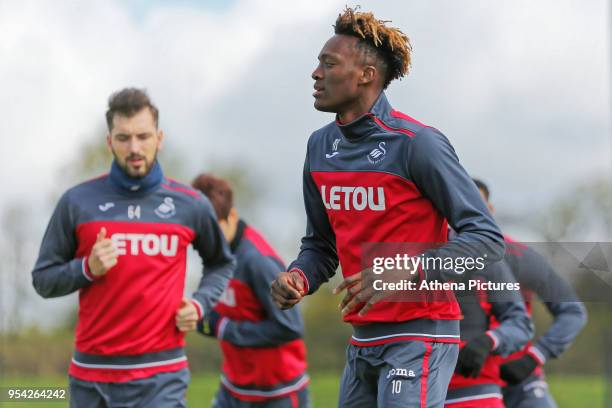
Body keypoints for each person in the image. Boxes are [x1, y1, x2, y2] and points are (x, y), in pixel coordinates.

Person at [270, 7, 505, 407]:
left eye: (328, 64)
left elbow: (486, 240)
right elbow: (320, 246)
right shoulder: (318, 147)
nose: (315, 73)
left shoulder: (418, 143)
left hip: (421, 334)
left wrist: (407, 272)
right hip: (362, 341)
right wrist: (298, 278)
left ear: (366, 75)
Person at [32, 88, 235, 407]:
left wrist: (199, 305)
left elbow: (222, 263)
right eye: (124, 138)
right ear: (109, 142)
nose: (135, 147)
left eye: (143, 136)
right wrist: (87, 268)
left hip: (161, 376)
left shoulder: (190, 204)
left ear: (160, 137)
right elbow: (43, 280)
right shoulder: (76, 202)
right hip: (91, 376)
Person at [192, 174, 310, 407]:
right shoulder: (214, 256)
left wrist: (224, 328)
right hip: (233, 389)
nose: (208, 239)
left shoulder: (258, 262)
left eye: (214, 229)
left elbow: (290, 327)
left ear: (232, 217)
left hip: (278, 393)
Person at [472, 179, 588, 408]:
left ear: (490, 210)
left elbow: (573, 311)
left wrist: (534, 357)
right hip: (464, 383)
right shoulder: (432, 260)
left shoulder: (521, 256)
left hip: (519, 382)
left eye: (476, 204)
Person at [445, 260, 533, 407]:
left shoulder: (487, 259)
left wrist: (489, 340)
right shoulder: (400, 254)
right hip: (409, 389)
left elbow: (521, 324)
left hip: (474, 389)